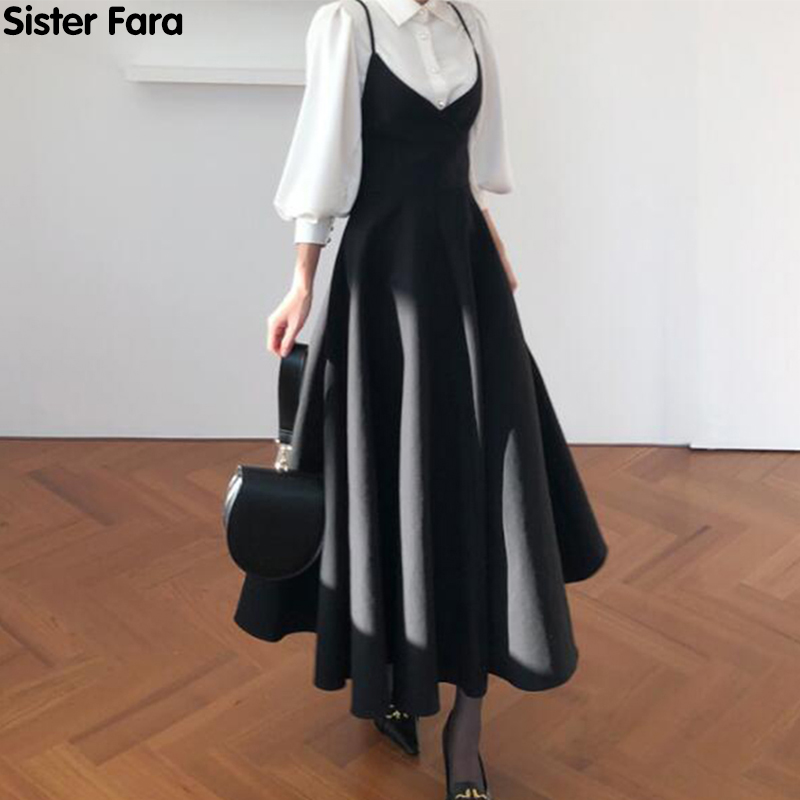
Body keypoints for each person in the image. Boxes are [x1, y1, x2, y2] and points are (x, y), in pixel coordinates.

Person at [233, 1, 609, 797]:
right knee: (388, 479)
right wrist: (301, 282)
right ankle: (393, 684)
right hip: (382, 282)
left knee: (483, 480)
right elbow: (324, 164)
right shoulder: (351, 22)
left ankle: (466, 731)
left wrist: (494, 246)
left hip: (467, 280)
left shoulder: (470, 22)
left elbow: (474, 164)